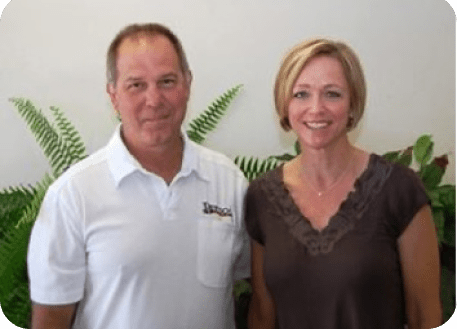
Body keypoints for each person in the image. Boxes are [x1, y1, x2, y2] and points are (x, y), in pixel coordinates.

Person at [27, 23, 250, 329]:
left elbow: (250, 282)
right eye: (136, 85)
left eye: (167, 81)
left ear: (187, 84)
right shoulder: (72, 195)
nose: (154, 99)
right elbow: (51, 319)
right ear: (113, 95)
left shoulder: (230, 183)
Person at [244, 38, 442, 329]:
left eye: (332, 94)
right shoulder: (262, 197)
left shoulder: (399, 190)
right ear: (284, 105)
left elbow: (425, 316)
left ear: (353, 104)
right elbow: (262, 314)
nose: (316, 109)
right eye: (301, 94)